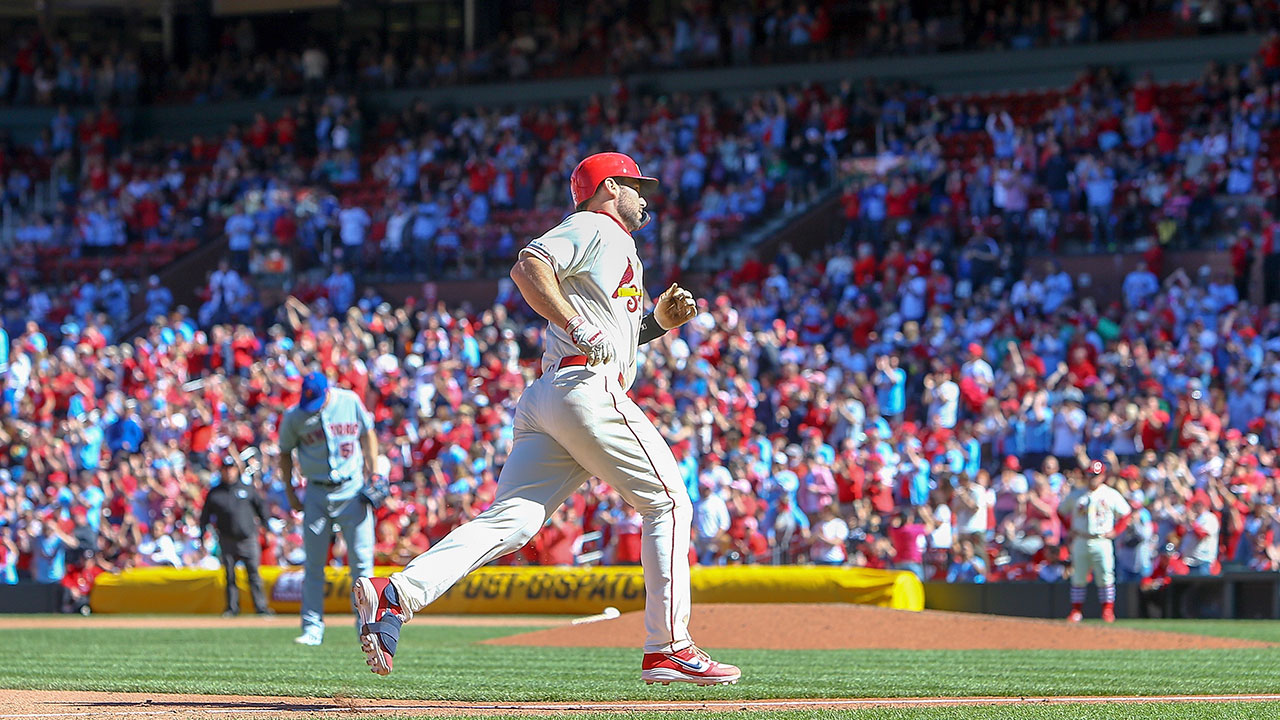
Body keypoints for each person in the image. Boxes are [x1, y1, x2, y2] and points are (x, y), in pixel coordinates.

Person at [351, 152, 740, 686]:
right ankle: (668, 646)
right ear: (608, 188)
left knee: (513, 521)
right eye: (635, 185)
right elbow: (528, 265)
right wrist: (576, 322)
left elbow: (611, 336)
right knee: (669, 502)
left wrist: (655, 326)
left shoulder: (611, 241)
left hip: (555, 395)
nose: (644, 195)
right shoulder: (593, 225)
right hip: (583, 388)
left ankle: (396, 594)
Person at [277, 371, 378, 645]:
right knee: (313, 565)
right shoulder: (294, 416)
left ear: (327, 391)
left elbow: (368, 432)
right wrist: (290, 490)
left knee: (361, 563)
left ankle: (366, 627)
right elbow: (284, 452)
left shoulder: (349, 401)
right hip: (316, 492)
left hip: (352, 488)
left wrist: (375, 471)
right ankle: (312, 628)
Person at [198, 454, 273, 617]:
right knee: (230, 576)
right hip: (227, 539)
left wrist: (266, 528)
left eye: (231, 469)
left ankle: (261, 607)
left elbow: (262, 509)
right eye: (225, 469)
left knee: (253, 574)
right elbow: (205, 516)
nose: (229, 472)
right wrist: (202, 533)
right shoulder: (215, 493)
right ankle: (232, 608)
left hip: (248, 538)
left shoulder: (247, 489)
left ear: (236, 470)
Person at [1059, 459, 1131, 623]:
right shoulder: (1077, 494)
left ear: (1103, 476)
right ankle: (1076, 611)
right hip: (1082, 538)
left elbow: (1126, 513)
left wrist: (1116, 531)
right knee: (1078, 576)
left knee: (1105, 575)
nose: (1093, 478)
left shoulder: (1110, 494)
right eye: (1090, 474)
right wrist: (1070, 528)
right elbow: (1061, 511)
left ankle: (1107, 611)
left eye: (1096, 475)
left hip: (1101, 539)